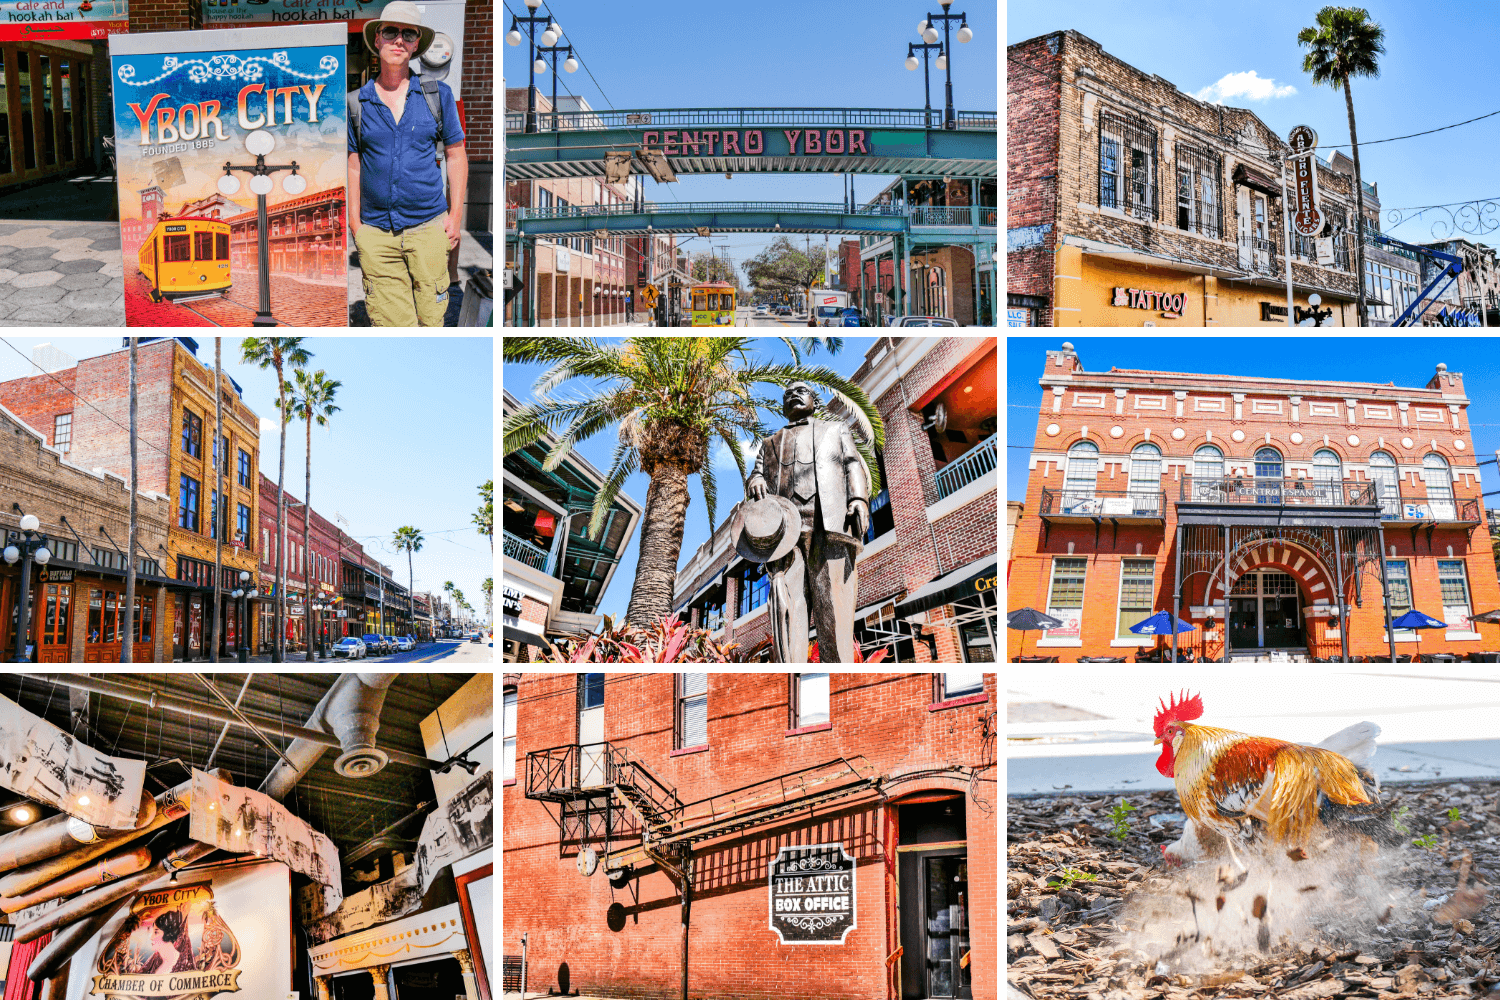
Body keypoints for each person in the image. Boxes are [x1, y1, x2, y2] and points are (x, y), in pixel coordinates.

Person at [347, 1, 468, 326]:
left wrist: (455, 216)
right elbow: (353, 164)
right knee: (391, 325)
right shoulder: (357, 103)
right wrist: (357, 227)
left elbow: (457, 155)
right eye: (391, 31)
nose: (398, 39)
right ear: (377, 40)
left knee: (431, 320)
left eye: (408, 34)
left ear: (416, 45)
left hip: (429, 228)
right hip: (376, 235)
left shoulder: (437, 95)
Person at [744, 382, 870, 662]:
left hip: (830, 526)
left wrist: (859, 498)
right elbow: (756, 474)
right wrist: (755, 480)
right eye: (787, 394)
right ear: (783, 405)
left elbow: (852, 463)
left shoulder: (835, 430)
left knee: (834, 610)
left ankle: (839, 676)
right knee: (787, 608)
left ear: (814, 400)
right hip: (786, 535)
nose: (794, 395)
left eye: (801, 391)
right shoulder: (769, 444)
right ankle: (790, 677)